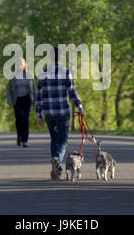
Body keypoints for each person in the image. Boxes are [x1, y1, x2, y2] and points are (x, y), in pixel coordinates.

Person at [36, 46, 84, 180]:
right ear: (61, 57)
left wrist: (39, 114)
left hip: (49, 113)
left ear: (50, 57)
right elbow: (72, 92)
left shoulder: (43, 73)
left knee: (54, 139)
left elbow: (38, 96)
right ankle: (56, 158)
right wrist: (79, 107)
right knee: (62, 140)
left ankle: (57, 169)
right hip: (62, 112)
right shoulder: (66, 72)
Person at [7, 58, 36, 147]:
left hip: (27, 99)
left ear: (24, 65)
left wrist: (35, 101)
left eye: (21, 64)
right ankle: (19, 136)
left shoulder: (29, 75)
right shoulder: (13, 76)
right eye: (18, 64)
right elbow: (8, 89)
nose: (20, 65)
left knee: (26, 119)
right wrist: (9, 100)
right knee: (18, 119)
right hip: (17, 100)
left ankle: (25, 140)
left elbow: (34, 89)